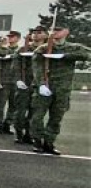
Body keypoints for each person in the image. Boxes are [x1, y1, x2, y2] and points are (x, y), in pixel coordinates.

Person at [30, 24, 91, 155]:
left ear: (66, 32)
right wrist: (41, 84)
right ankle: (37, 141)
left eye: (58, 30)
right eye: (53, 30)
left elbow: (87, 55)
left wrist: (64, 56)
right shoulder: (43, 48)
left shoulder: (73, 47)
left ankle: (49, 142)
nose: (55, 32)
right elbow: (37, 68)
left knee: (56, 117)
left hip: (63, 88)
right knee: (37, 116)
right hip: (45, 87)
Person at [11, 28, 41, 144]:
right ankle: (19, 133)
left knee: (35, 112)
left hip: (39, 84)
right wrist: (18, 79)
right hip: (25, 84)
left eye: (39, 33)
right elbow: (15, 66)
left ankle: (29, 134)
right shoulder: (23, 49)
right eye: (34, 33)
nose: (36, 35)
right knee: (20, 111)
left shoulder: (47, 49)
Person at [0, 31, 21, 134]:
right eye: (9, 36)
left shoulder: (21, 50)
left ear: (18, 38)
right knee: (0, 104)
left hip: (16, 81)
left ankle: (8, 124)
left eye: (12, 37)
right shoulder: (2, 50)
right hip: (3, 80)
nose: (10, 38)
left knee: (14, 105)